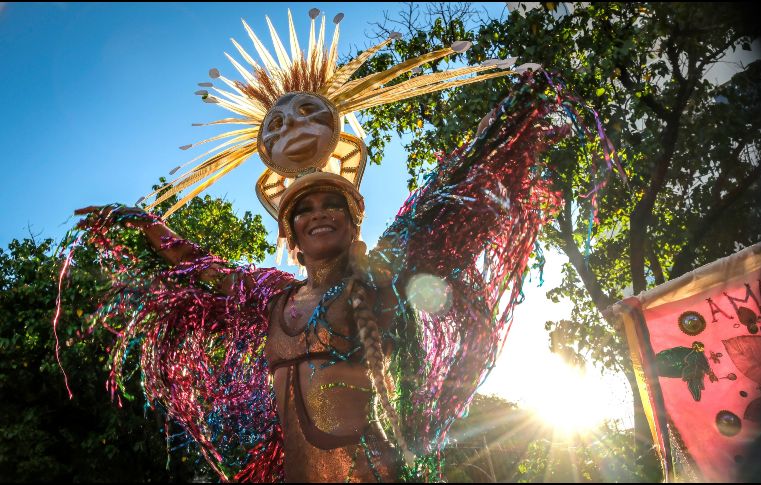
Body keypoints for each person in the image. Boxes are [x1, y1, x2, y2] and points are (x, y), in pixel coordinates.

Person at [63, 9, 618, 483]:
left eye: (331, 204)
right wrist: (140, 220)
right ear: (291, 235)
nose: (317, 212)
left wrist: (518, 118)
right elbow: (203, 268)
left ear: (353, 222)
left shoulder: (376, 275)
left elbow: (452, 197)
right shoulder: (272, 299)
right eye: (302, 209)